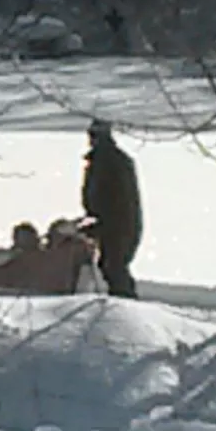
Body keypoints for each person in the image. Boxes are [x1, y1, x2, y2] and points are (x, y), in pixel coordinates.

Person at [81, 118, 142, 299]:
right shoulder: (103, 160)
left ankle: (125, 303)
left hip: (119, 224)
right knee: (110, 264)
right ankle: (120, 299)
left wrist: (101, 220)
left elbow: (117, 199)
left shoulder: (111, 162)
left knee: (113, 264)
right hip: (113, 222)